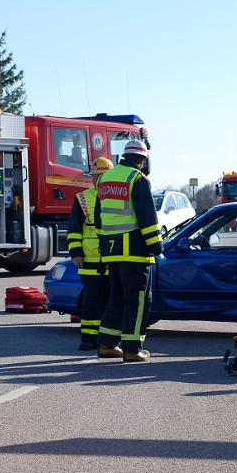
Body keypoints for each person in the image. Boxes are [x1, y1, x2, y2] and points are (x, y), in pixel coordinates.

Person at [95, 139, 161, 362]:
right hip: (134, 251)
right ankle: (132, 349)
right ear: (142, 160)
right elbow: (147, 217)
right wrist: (156, 246)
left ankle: (107, 344)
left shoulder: (104, 178)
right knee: (138, 299)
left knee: (116, 297)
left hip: (111, 250)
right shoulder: (137, 178)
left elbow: (98, 218)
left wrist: (104, 245)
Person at [67, 157, 114, 351]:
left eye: (101, 175)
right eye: (95, 176)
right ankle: (88, 339)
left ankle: (107, 339)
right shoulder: (83, 198)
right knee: (91, 301)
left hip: (112, 258)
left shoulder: (118, 197)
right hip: (88, 259)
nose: (98, 179)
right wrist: (76, 253)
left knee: (111, 300)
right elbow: (74, 229)